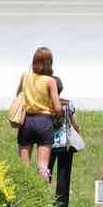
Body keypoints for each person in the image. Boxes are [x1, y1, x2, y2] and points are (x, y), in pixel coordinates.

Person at [15, 47, 64, 179]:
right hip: (44, 121)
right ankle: (40, 196)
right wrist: (58, 119)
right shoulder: (50, 81)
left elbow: (18, 95)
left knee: (23, 166)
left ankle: (23, 194)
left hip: (26, 122)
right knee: (42, 167)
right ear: (50, 63)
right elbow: (58, 107)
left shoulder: (25, 77)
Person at [47, 75, 81, 207]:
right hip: (65, 143)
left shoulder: (44, 104)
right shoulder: (68, 104)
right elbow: (75, 124)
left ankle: (41, 200)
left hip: (47, 143)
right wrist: (78, 131)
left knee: (45, 171)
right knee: (64, 174)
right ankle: (60, 206)